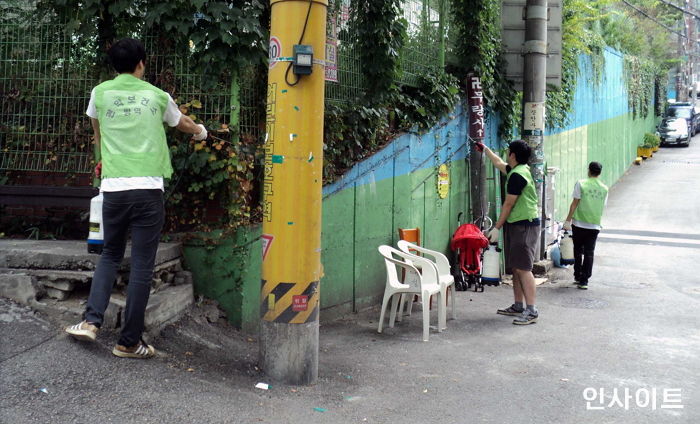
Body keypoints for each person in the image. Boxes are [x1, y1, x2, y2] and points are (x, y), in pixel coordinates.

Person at [66, 38, 207, 358]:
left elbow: (98, 135)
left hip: (113, 189)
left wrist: (104, 159)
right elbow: (182, 122)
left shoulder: (99, 94)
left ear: (114, 66)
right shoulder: (157, 96)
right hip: (147, 190)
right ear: (141, 64)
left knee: (110, 255)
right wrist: (200, 131)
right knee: (142, 264)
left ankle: (90, 322)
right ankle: (129, 342)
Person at [476, 140, 540, 325]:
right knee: (516, 267)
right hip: (516, 224)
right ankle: (518, 305)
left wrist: (496, 227)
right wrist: (486, 149)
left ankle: (532, 310)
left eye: (508, 150)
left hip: (524, 225)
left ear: (512, 155)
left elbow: (509, 204)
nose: (506, 153)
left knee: (524, 268)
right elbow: (498, 163)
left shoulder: (517, 176)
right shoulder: (517, 170)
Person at [563, 161, 608, 290]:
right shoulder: (604, 188)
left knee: (577, 250)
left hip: (579, 223)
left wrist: (567, 221)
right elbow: (602, 206)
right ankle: (584, 280)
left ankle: (577, 275)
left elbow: (574, 203)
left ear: (589, 170)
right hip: (594, 225)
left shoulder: (581, 184)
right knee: (589, 252)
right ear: (600, 173)